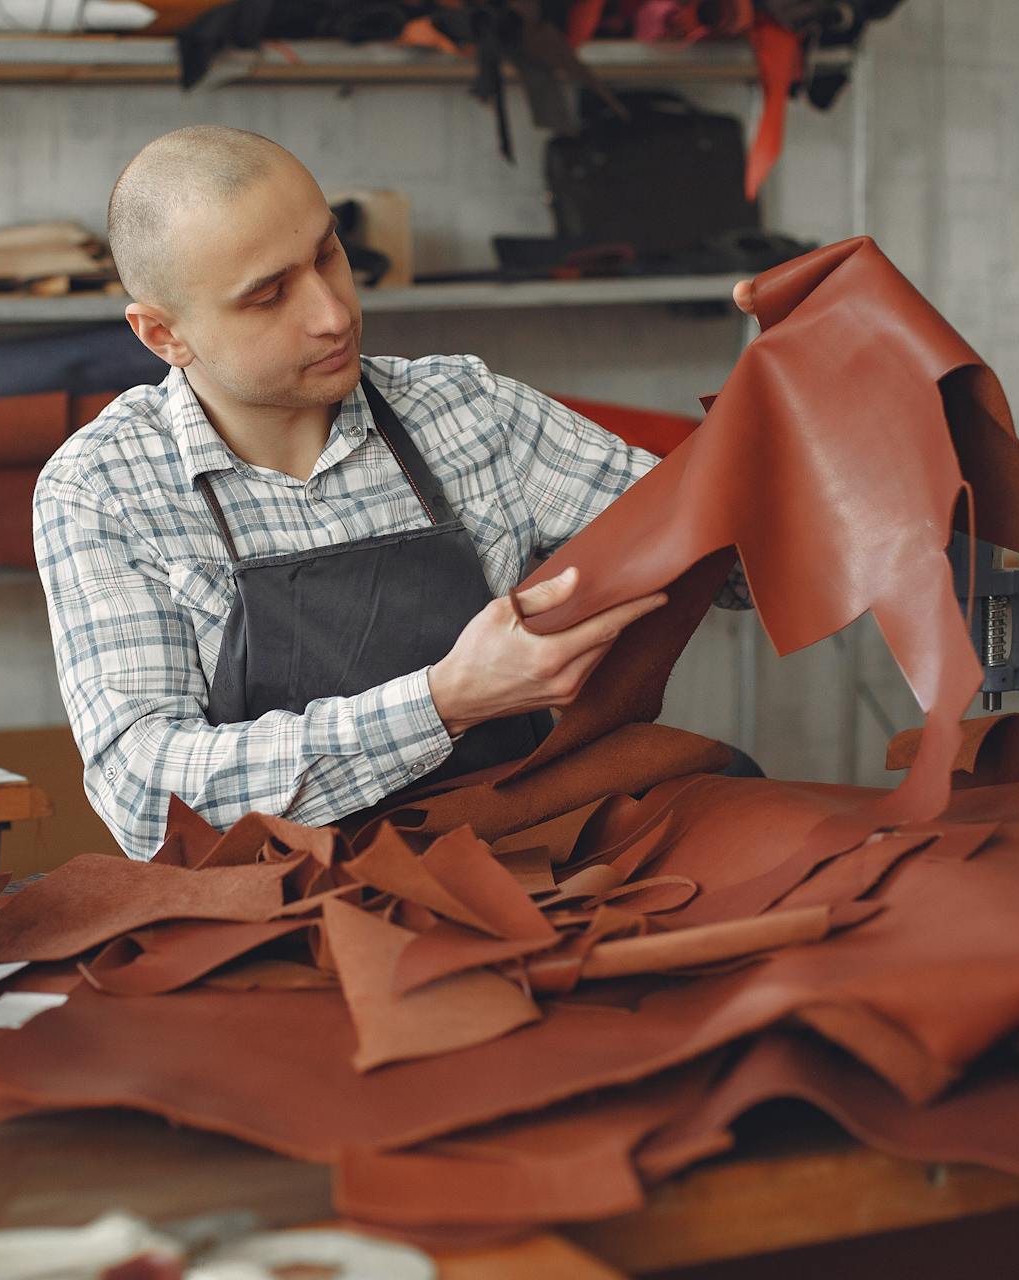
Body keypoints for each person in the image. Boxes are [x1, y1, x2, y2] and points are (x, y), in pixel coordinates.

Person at [35, 125, 701, 859]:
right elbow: (146, 802)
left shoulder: (468, 411)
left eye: (328, 255)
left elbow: (711, 541)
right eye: (267, 295)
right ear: (163, 335)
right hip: (271, 912)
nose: (333, 313)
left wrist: (805, 406)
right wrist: (444, 702)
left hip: (520, 854)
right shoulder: (103, 487)